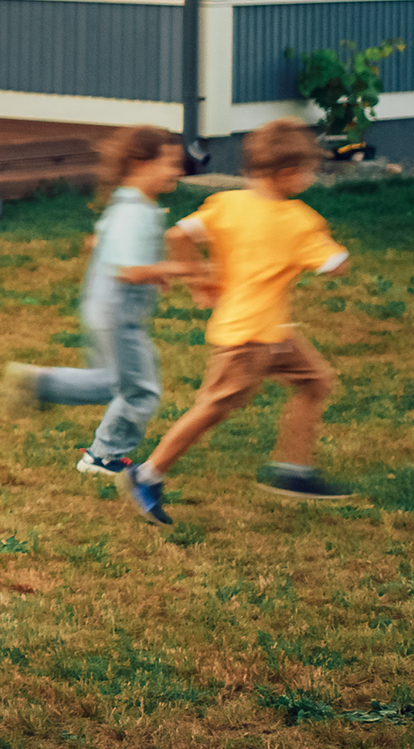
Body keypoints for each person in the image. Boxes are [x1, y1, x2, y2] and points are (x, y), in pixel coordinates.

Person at [127, 118, 352, 523]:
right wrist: (337, 257)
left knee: (316, 382)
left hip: (272, 333)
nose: (311, 177)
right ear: (286, 173)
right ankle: (147, 474)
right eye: (308, 170)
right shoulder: (299, 221)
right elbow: (335, 264)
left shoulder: (227, 203)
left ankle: (294, 470)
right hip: (249, 339)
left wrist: (199, 281)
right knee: (213, 407)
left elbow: (179, 236)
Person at [2, 126, 193, 481]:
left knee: (111, 382)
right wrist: (176, 267)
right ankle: (103, 455)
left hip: (104, 308)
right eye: (170, 164)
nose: (177, 172)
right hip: (120, 315)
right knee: (141, 391)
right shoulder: (135, 209)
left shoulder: (126, 201)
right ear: (140, 163)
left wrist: (153, 272)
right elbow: (128, 269)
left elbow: (99, 245)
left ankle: (39, 384)